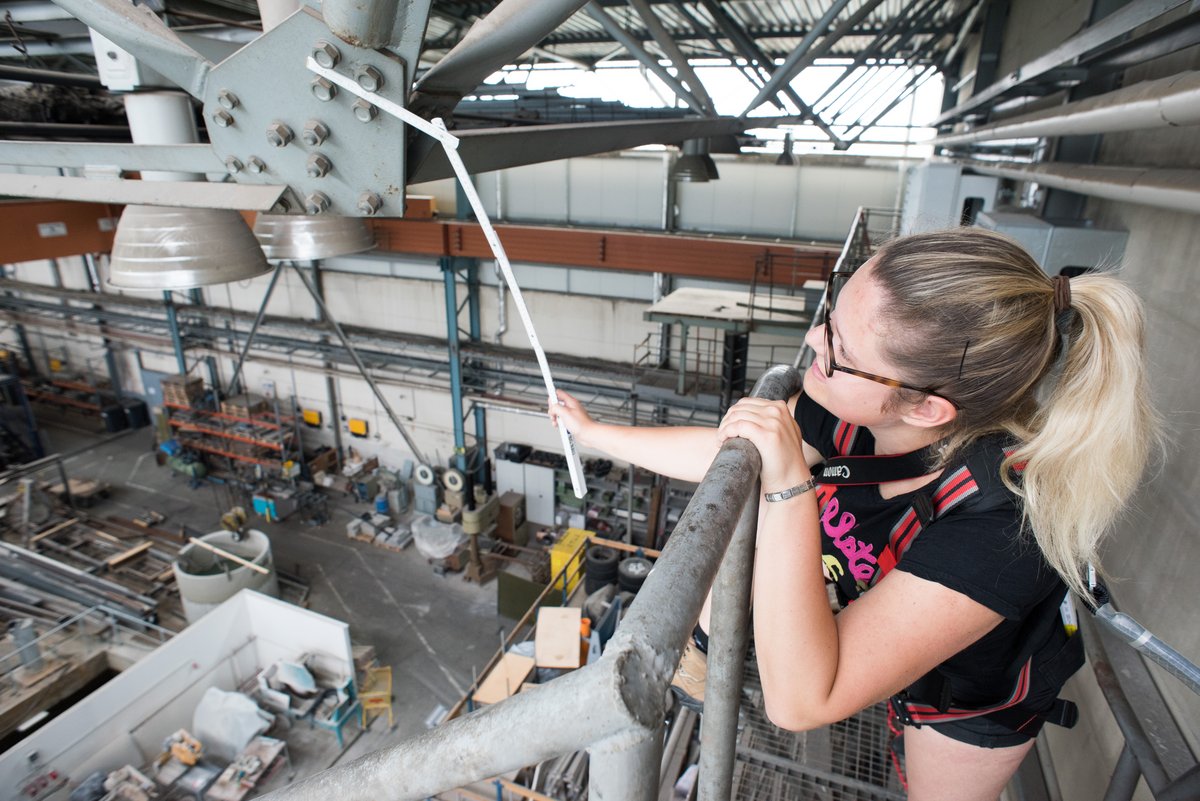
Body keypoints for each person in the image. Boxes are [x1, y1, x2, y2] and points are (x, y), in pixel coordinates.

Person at [548, 227, 1159, 801]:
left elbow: (803, 702)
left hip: (964, 698)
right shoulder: (857, 411)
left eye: (840, 349)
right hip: (883, 612)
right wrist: (594, 433)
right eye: (832, 318)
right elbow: (726, 460)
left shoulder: (1004, 529)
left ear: (925, 410)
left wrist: (790, 484)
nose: (815, 344)